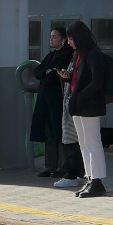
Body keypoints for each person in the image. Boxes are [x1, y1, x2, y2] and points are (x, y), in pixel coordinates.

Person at [57, 21, 108, 198]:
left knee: (93, 142)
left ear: (79, 37)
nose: (69, 42)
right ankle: (90, 178)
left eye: (71, 38)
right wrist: (68, 77)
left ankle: (98, 180)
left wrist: (80, 96)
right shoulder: (78, 54)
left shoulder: (93, 54)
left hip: (89, 105)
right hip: (78, 104)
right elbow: (79, 78)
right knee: (84, 143)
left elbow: (97, 81)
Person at [30, 26, 74, 178]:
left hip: (57, 99)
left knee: (59, 132)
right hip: (46, 100)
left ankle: (62, 166)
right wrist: (46, 72)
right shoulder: (50, 56)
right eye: (51, 36)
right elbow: (37, 72)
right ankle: (50, 166)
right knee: (48, 132)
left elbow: (52, 77)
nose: (51, 39)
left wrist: (47, 73)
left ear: (63, 39)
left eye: (54, 36)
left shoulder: (66, 55)